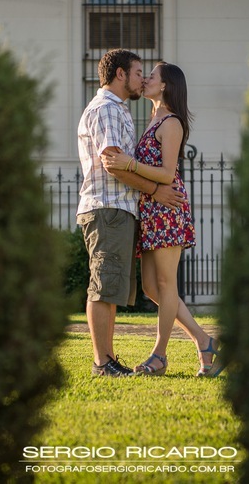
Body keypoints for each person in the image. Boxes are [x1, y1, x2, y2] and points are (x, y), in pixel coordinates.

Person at [102, 62, 223, 377]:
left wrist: (130, 164)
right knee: (154, 289)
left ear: (165, 85)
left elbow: (168, 173)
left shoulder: (171, 122)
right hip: (152, 209)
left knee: (167, 284)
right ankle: (205, 341)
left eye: (151, 77)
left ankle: (159, 355)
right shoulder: (153, 119)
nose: (144, 81)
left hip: (168, 208)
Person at [77, 49, 186, 377]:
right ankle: (102, 362)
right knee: (103, 285)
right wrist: (154, 190)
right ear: (121, 74)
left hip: (118, 209)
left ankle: (107, 358)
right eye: (139, 72)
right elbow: (113, 163)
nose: (143, 79)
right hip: (107, 207)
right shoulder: (108, 109)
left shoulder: (121, 110)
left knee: (111, 287)